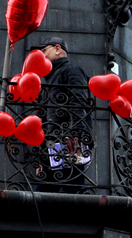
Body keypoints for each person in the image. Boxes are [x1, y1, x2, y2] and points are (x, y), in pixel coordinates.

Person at [29, 36, 92, 188]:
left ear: (57, 49)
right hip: (54, 146)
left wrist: (76, 136)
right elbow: (45, 121)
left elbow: (79, 102)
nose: (41, 56)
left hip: (69, 142)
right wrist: (42, 159)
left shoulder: (71, 71)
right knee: (48, 197)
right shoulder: (49, 81)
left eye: (44, 51)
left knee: (71, 194)